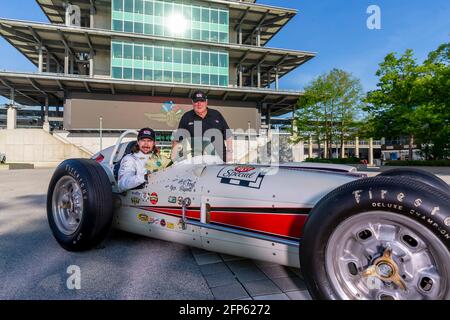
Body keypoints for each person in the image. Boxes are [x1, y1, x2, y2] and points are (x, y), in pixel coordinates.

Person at [173, 90, 233, 162]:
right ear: (192, 102)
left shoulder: (216, 115)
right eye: (196, 101)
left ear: (206, 102)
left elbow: (228, 135)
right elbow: (178, 140)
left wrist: (229, 152)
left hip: (219, 159)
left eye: (202, 101)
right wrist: (175, 158)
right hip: (196, 161)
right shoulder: (186, 117)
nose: (199, 104)